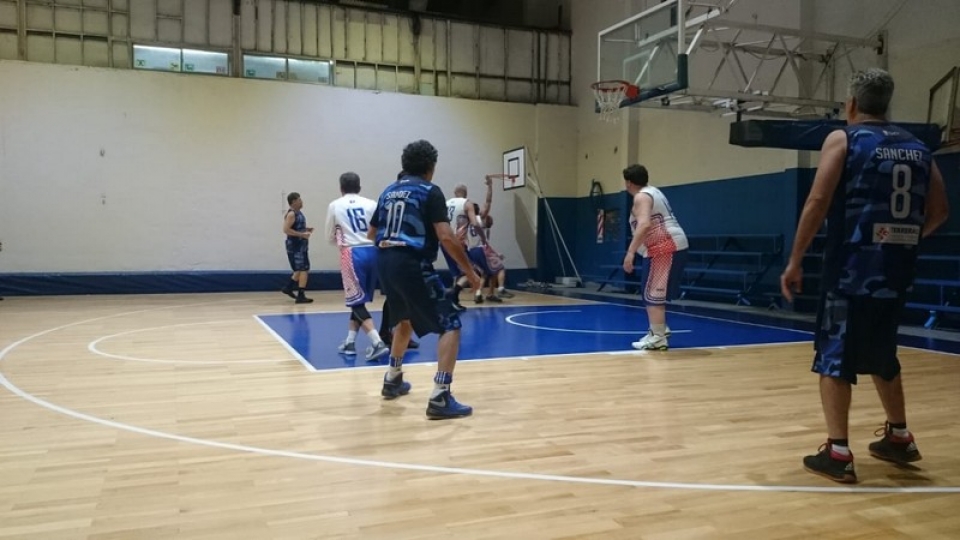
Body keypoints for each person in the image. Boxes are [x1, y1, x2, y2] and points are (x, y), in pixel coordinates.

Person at [781, 68, 949, 484]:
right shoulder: (919, 148)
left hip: (850, 269)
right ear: (887, 103)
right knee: (883, 352)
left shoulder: (844, 139)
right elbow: (940, 212)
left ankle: (838, 452)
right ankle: (899, 436)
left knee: (834, 355)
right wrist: (904, 240)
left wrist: (796, 259)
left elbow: (818, 200)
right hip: (896, 270)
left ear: (852, 103)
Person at [368, 140, 482, 419]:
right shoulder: (430, 191)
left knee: (403, 320)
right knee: (451, 324)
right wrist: (470, 272)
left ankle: (393, 379)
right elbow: (446, 236)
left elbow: (371, 233)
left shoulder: (388, 191)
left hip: (384, 261)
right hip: (411, 262)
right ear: (431, 167)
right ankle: (440, 396)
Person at [622, 164, 688, 350]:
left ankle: (658, 337)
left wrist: (630, 252)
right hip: (670, 245)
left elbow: (644, 224)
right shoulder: (654, 191)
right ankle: (659, 329)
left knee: (652, 294)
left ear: (628, 182)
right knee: (652, 291)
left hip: (664, 246)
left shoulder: (641, 197)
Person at [324, 172, 390, 361]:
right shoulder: (371, 203)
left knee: (356, 302)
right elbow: (381, 228)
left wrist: (342, 241)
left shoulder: (335, 205)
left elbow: (329, 235)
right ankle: (350, 341)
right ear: (359, 187)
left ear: (341, 188)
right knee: (358, 299)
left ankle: (377, 343)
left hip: (352, 253)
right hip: (373, 251)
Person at [444, 184, 485, 307]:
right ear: (466, 193)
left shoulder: (446, 203)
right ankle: (453, 294)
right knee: (474, 271)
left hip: (444, 241)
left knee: (457, 274)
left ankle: (454, 301)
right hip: (458, 242)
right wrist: (483, 238)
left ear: (454, 192)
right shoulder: (467, 203)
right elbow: (475, 224)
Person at [281, 192, 314, 304]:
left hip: (301, 246)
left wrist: (306, 229)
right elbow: (286, 229)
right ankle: (301, 295)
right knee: (304, 269)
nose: (301, 201)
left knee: (300, 269)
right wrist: (302, 234)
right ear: (294, 202)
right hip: (296, 246)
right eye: (299, 200)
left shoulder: (299, 213)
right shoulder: (291, 214)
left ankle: (288, 287)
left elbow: (295, 227)